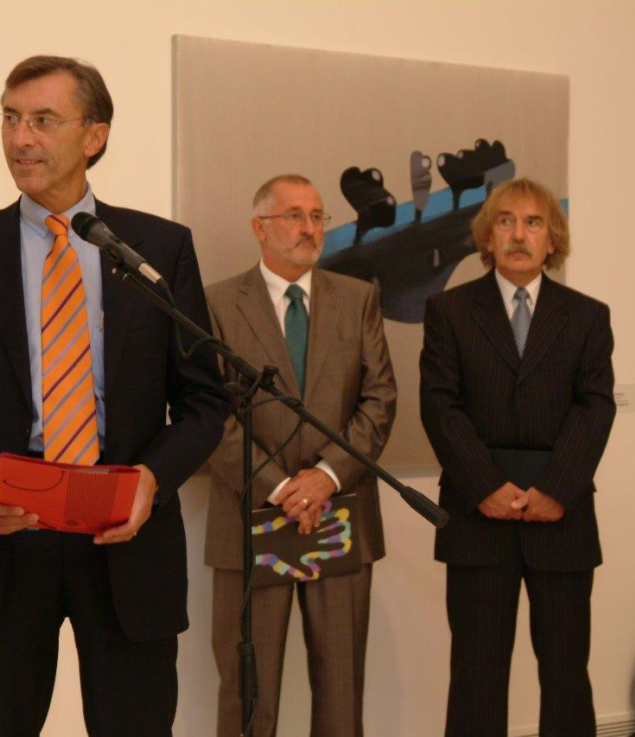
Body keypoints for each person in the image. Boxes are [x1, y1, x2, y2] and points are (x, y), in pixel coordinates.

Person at [0, 55, 229, 735]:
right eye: (11, 119)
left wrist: (151, 480)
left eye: (44, 120)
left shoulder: (158, 248)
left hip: (125, 538)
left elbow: (204, 401)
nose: (21, 138)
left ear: (94, 136)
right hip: (4, 544)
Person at [420, 177, 615, 736]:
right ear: (488, 237)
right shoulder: (450, 311)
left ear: (553, 239)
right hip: (477, 516)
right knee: (476, 675)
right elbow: (440, 406)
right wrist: (485, 486)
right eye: (505, 221)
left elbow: (595, 407)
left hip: (562, 515)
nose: (519, 234)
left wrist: (557, 488)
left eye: (533, 223)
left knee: (566, 674)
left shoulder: (587, 316)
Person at [204, 174, 397, 737]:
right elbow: (210, 416)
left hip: (339, 512)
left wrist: (325, 477)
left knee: (340, 693)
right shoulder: (217, 304)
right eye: (294, 215)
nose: (309, 228)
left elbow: (380, 398)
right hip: (252, 516)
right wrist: (283, 487)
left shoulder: (357, 299)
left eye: (317, 216)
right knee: (249, 695)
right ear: (259, 227)